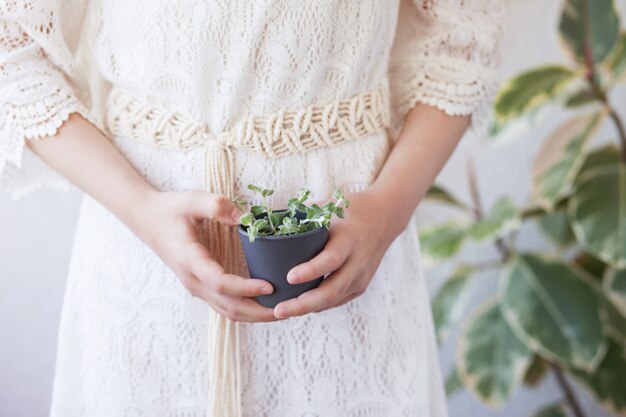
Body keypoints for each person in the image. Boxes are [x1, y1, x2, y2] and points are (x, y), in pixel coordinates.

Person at [0, 0, 504, 416]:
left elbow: (462, 37)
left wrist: (388, 210)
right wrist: (143, 210)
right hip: (146, 256)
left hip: (347, 256)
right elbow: (12, 46)